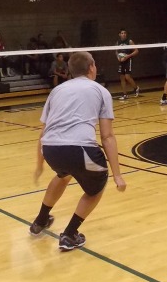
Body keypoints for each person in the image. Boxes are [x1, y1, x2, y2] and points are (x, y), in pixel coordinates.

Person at [30, 51, 126, 251]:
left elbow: (43, 132)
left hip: (51, 149)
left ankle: (40, 220)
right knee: (96, 186)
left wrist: (39, 165)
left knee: (64, 174)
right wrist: (117, 175)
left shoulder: (56, 91)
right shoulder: (100, 91)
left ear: (70, 71)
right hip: (80, 148)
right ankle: (70, 234)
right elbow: (107, 136)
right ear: (92, 67)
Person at [116, 28, 139, 100]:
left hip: (128, 60)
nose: (123, 34)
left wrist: (127, 56)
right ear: (119, 34)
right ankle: (125, 94)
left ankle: (136, 88)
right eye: (122, 33)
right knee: (122, 77)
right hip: (121, 61)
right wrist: (118, 57)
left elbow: (136, 51)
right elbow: (116, 51)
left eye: (125, 33)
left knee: (127, 77)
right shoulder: (118, 42)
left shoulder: (129, 41)